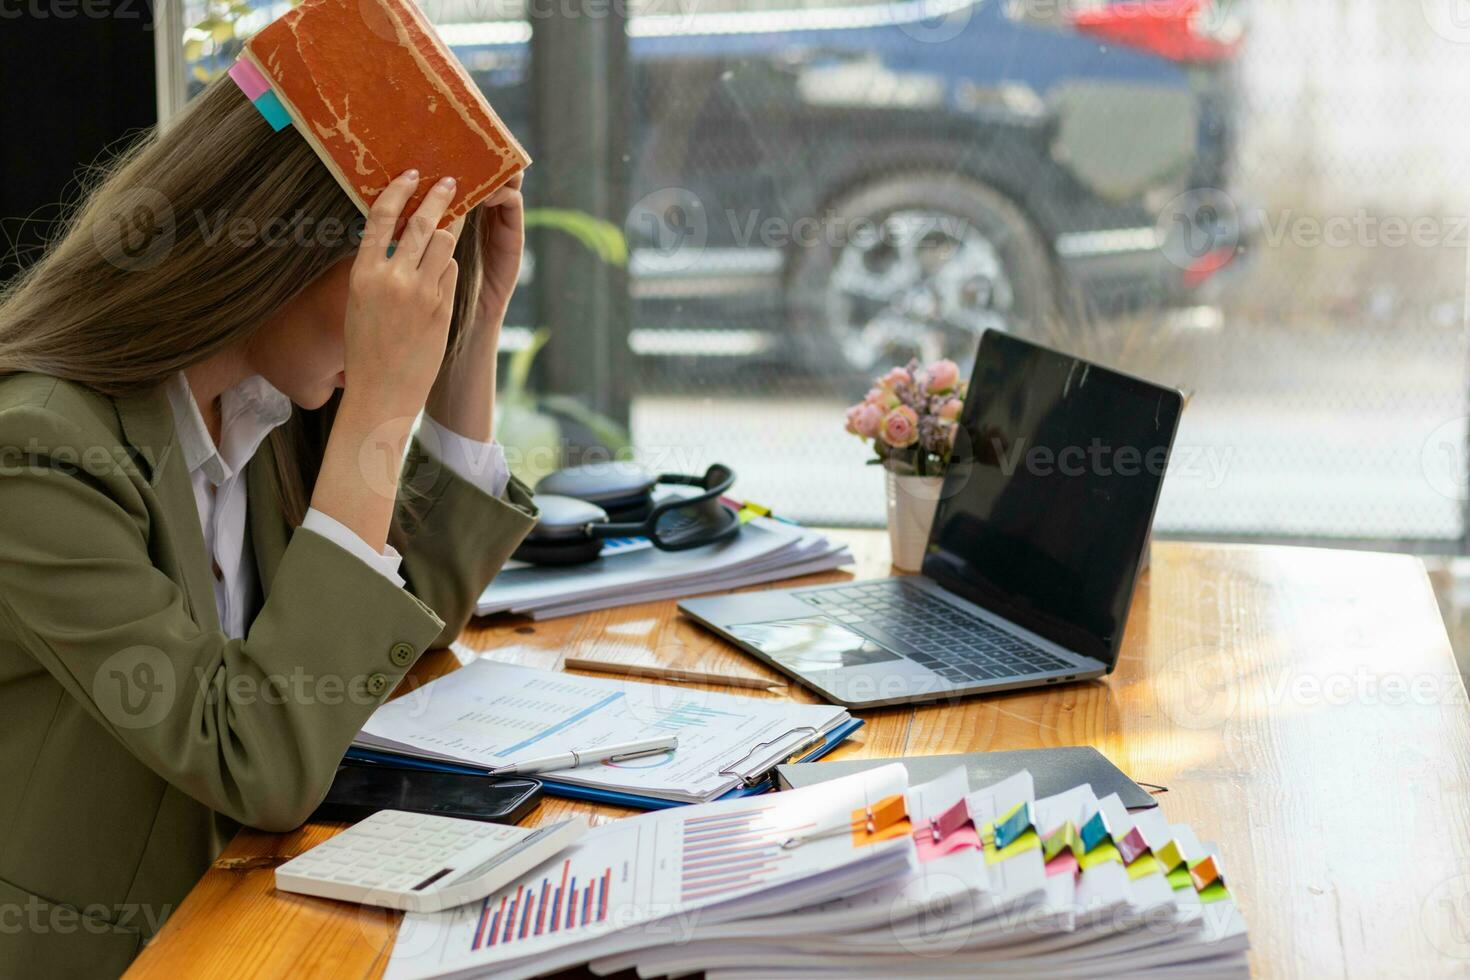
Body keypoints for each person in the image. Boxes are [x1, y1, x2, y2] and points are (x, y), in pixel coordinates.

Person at [0, 75, 538, 976]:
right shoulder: (40, 453)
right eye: (403, 272)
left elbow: (405, 630)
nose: (417, 308)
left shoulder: (263, 403)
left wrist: (476, 326)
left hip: (240, 905)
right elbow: (259, 764)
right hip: (115, 950)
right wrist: (377, 401)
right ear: (284, 252)